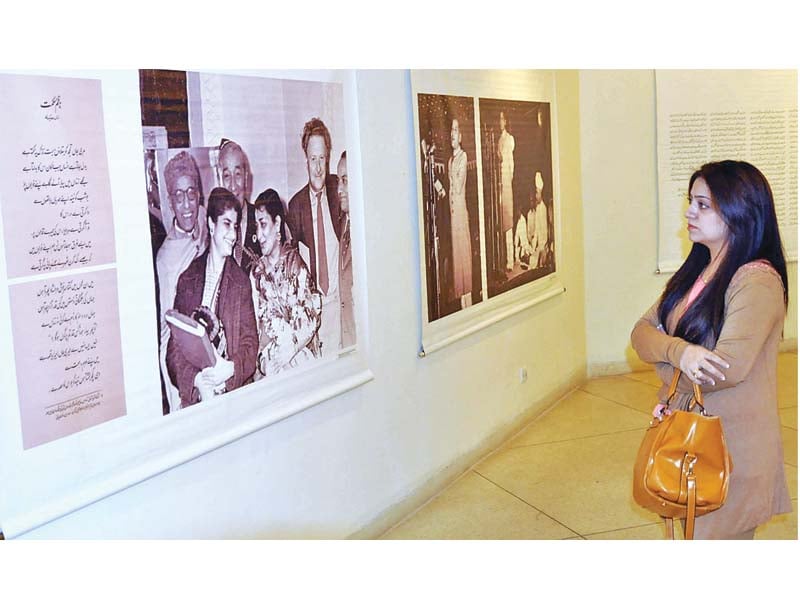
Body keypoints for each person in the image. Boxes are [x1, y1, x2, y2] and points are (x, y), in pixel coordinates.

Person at [631, 160, 791, 540]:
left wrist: (663, 366)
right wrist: (679, 353)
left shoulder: (757, 281)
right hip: (690, 444)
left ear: (739, 211)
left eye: (703, 204)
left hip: (730, 453)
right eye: (691, 201)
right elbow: (639, 335)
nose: (689, 211)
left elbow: (724, 370)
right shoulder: (698, 272)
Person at [167, 187, 257, 408]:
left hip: (232, 397)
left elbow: (250, 344)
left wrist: (230, 368)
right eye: (226, 224)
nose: (234, 235)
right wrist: (197, 382)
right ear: (210, 223)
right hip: (197, 398)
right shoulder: (188, 279)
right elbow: (174, 349)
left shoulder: (241, 283)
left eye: (236, 226)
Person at [155, 151, 208, 413]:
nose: (187, 204)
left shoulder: (207, 224)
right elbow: (169, 327)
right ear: (170, 202)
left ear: (199, 194)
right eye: (178, 196)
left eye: (191, 193)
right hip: (183, 355)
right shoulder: (166, 259)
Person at [250, 188, 322, 379]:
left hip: (300, 359)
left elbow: (311, 316)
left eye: (263, 224)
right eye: (256, 226)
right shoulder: (257, 274)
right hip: (272, 365)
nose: (259, 234)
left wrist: (288, 351)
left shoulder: (294, 264)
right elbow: (259, 328)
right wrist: (265, 362)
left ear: (277, 223)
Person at [287, 117, 342, 357]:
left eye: (322, 159)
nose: (318, 167)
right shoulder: (296, 205)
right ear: (305, 160)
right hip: (314, 308)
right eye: (313, 159)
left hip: (341, 303)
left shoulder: (340, 192)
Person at [218, 138, 261, 273]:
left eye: (237, 174)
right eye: (226, 176)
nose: (232, 186)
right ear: (219, 180)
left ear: (246, 177)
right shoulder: (212, 230)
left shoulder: (262, 220)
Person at [448, 116, 472, 309]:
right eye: (451, 130)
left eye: (455, 130)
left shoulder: (462, 157)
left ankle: (469, 303)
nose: (452, 134)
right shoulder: (450, 160)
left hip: (461, 216)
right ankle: (463, 305)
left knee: (464, 256)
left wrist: (454, 172)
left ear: (461, 135)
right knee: (457, 259)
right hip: (453, 216)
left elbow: (457, 186)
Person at [336, 151, 355, 348]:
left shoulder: (368, 233)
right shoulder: (343, 226)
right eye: (338, 182)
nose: (339, 189)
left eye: (345, 180)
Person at [497, 110, 515, 271]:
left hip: (507, 183)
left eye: (502, 118)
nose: (500, 121)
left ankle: (511, 259)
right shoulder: (498, 141)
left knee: (509, 221)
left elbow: (511, 164)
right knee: (502, 221)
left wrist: (507, 182)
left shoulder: (510, 139)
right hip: (500, 185)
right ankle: (505, 259)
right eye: (499, 119)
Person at [527, 171, 549, 268]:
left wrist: (542, 248)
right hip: (537, 245)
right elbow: (536, 231)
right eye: (536, 193)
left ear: (541, 194)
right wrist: (533, 245)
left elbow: (544, 231)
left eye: (537, 193)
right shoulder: (537, 208)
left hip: (543, 246)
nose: (536, 196)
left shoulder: (543, 208)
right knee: (532, 262)